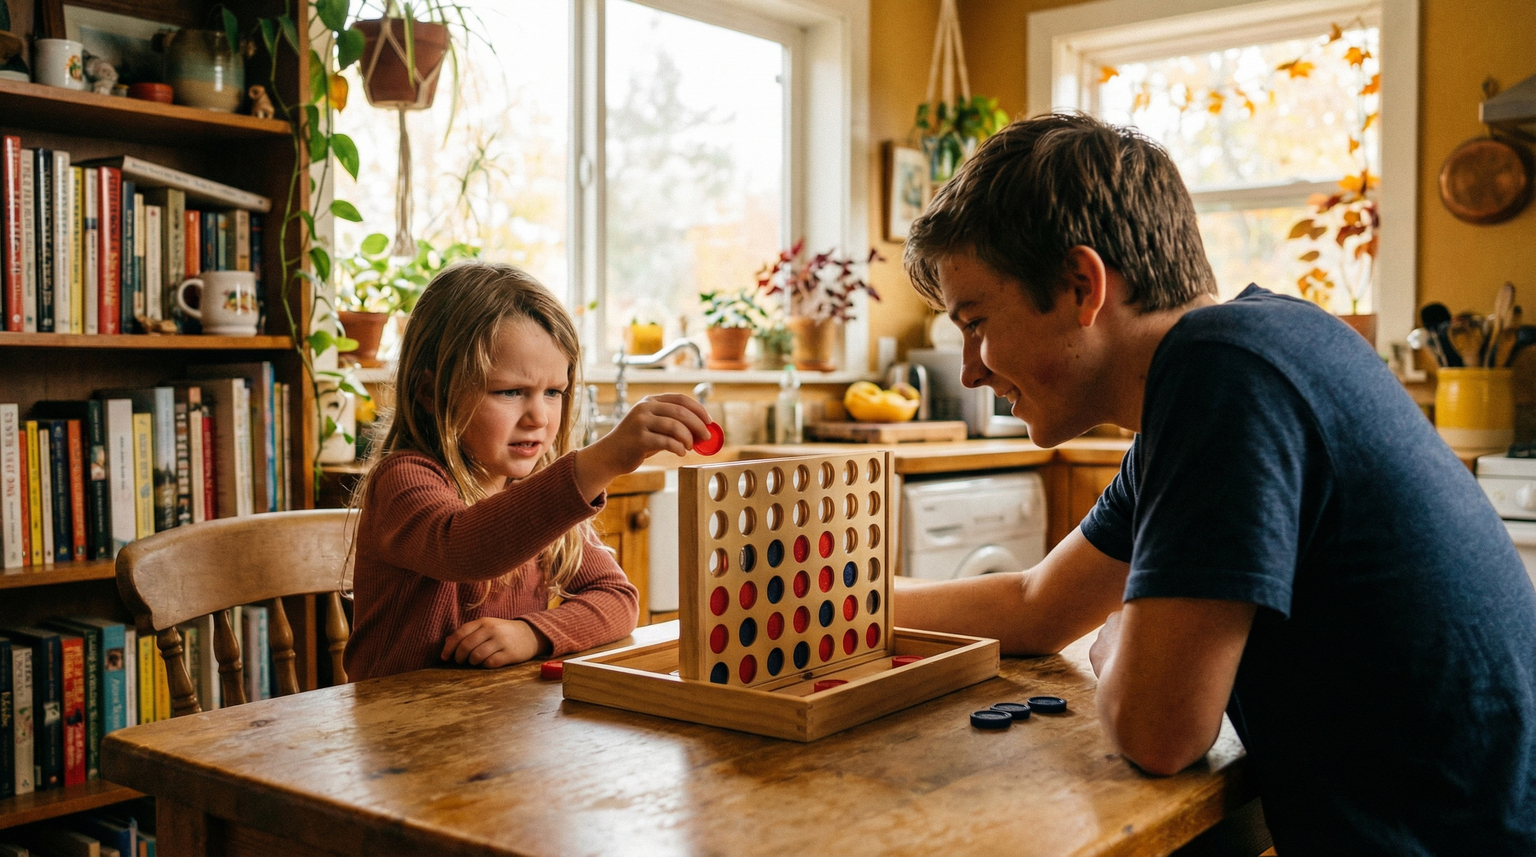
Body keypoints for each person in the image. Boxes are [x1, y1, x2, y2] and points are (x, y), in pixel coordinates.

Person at [895, 112, 1536, 854]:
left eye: (975, 321)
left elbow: (1159, 730)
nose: (970, 368)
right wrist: (828, 604)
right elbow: (1038, 605)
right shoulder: (1245, 350)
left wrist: (1124, 646)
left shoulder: (1222, 376)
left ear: (1080, 284)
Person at [345, 262, 712, 681]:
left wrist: (531, 634)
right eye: (510, 392)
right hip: (396, 731)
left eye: (554, 392)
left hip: (496, 724)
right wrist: (603, 459)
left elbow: (617, 599)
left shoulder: (531, 490)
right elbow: (462, 547)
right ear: (430, 392)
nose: (538, 416)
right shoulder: (404, 478)